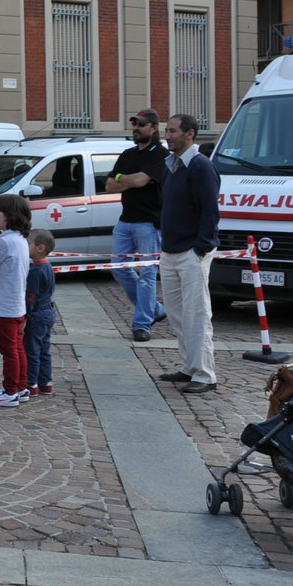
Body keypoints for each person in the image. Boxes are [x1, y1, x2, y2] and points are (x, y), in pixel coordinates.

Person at [157, 113, 221, 394]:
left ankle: (205, 374)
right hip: (170, 250)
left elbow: (210, 210)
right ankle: (188, 366)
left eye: (172, 131)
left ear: (190, 134)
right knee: (177, 314)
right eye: (167, 131)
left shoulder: (200, 166)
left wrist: (201, 247)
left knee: (197, 313)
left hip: (191, 251)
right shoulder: (172, 165)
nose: (168, 136)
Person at [106, 109, 170, 341]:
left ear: (153, 128)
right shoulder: (127, 154)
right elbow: (109, 185)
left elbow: (141, 180)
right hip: (125, 220)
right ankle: (155, 310)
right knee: (119, 269)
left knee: (147, 274)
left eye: (141, 124)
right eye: (134, 124)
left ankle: (142, 324)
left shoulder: (161, 154)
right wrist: (129, 180)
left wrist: (124, 178)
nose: (136, 128)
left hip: (149, 223)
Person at [0, 193, 32, 408]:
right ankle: (21, 387)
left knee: (9, 350)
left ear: (8, 215)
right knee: (17, 347)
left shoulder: (5, 241)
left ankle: (10, 390)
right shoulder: (20, 239)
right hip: (15, 304)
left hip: (4, 306)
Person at [24, 229, 58, 396]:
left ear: (40, 248)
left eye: (29, 243)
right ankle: (45, 382)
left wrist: (25, 315)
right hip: (48, 312)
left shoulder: (36, 271)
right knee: (44, 349)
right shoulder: (47, 266)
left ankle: (31, 383)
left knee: (32, 350)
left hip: (37, 314)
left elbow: (31, 296)